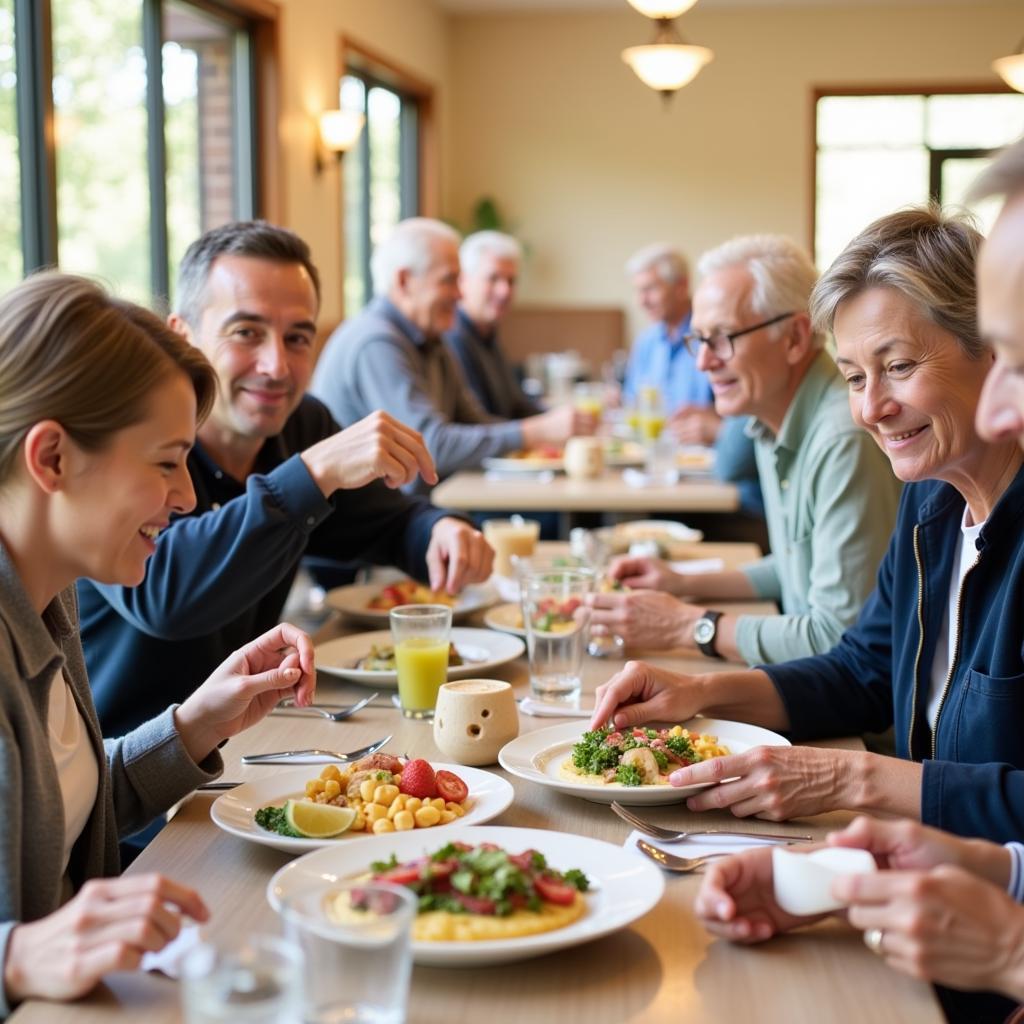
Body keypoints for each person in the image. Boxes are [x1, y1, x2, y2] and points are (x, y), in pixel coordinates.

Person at [590, 206, 1024, 843]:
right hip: (921, 864)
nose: (872, 408)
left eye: (898, 366)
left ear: (994, 349)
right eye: (853, 377)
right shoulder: (931, 500)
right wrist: (699, 694)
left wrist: (851, 779)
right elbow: (862, 670)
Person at [0, 272, 317, 1015]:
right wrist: (14, 956)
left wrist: (194, 724)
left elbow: (59, 813)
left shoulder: (51, 597)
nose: (186, 497)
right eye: (166, 461)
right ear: (51, 459)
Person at [78, 220, 492, 738]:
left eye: (297, 338)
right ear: (181, 336)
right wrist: (313, 473)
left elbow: (383, 522)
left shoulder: (301, 424)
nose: (276, 366)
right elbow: (161, 595)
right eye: (246, 333)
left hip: (259, 740)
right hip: (133, 775)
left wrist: (439, 530)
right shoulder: (133, 437)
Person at [590, 234, 900, 664]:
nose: (703, 362)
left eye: (721, 338)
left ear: (794, 337)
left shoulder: (843, 439)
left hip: (860, 722)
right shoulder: (770, 420)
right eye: (698, 340)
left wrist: (685, 623)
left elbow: (837, 639)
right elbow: (794, 568)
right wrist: (680, 582)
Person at [309, 218, 594, 492]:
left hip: (415, 508)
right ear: (405, 281)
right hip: (368, 528)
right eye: (450, 280)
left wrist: (542, 433)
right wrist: (534, 432)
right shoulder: (376, 342)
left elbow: (473, 420)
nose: (460, 294)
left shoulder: (432, 338)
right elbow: (429, 446)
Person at [622, 242, 764, 521]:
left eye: (650, 289)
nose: (642, 301)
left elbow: (750, 420)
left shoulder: (717, 339)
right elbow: (632, 407)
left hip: (715, 480)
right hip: (657, 470)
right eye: (638, 291)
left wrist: (718, 426)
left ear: (681, 285)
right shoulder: (646, 343)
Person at [444, 230, 542, 419]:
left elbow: (516, 406)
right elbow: (478, 423)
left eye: (511, 281)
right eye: (493, 278)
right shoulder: (453, 338)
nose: (504, 291)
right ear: (463, 281)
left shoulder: (488, 335)